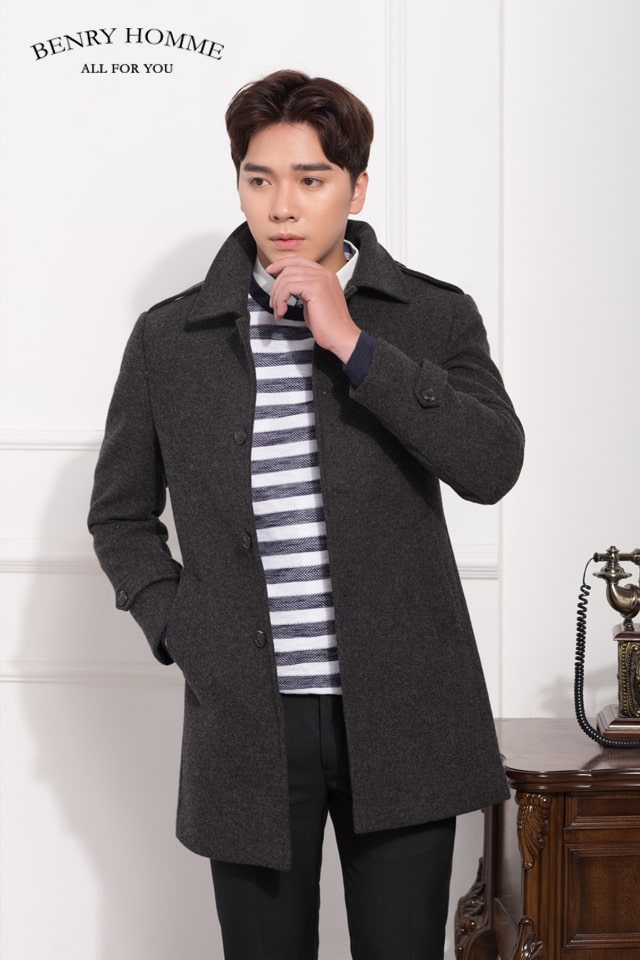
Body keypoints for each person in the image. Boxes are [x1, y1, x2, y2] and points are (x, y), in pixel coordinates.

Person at [88, 70, 524, 960]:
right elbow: (120, 515)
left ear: (356, 189)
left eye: (311, 179)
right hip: (249, 718)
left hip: (404, 708)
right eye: (259, 178)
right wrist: (183, 627)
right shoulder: (172, 338)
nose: (282, 205)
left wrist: (355, 344)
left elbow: (492, 466)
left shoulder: (432, 316)